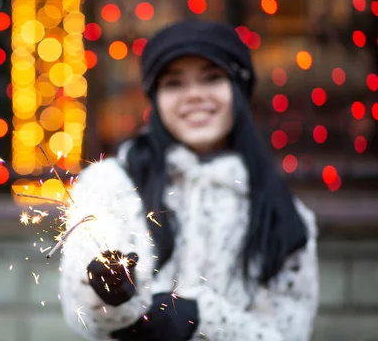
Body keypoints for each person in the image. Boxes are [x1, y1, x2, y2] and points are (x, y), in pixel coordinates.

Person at [59, 19, 319, 341]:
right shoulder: (111, 186)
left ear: (238, 90)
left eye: (212, 78)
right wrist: (113, 298)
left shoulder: (283, 213)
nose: (194, 95)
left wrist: (203, 319)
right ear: (155, 99)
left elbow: (291, 333)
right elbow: (80, 312)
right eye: (174, 83)